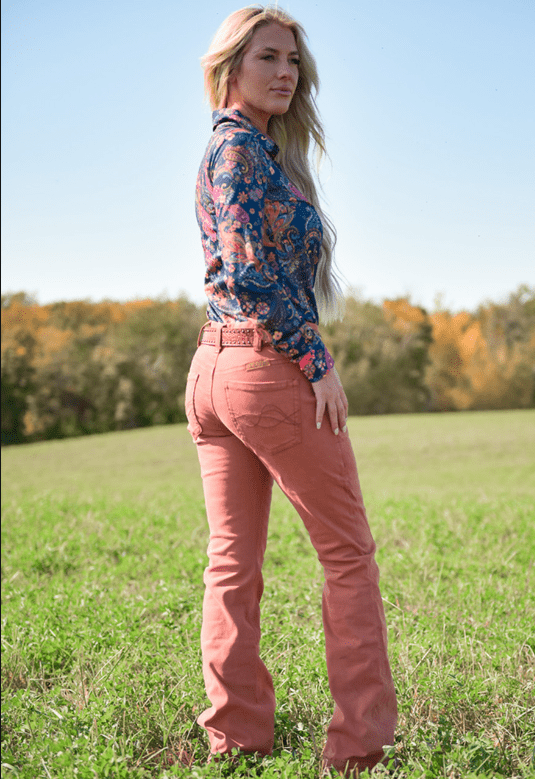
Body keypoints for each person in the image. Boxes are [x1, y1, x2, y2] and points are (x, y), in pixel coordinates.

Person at [185, 6, 398, 775]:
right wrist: (317, 361)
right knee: (348, 556)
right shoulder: (240, 151)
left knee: (231, 563)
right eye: (268, 57)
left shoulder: (234, 149)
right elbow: (249, 275)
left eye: (293, 60)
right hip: (266, 369)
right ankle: (358, 748)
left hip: (213, 371)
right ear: (230, 66)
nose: (285, 72)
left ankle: (236, 739)